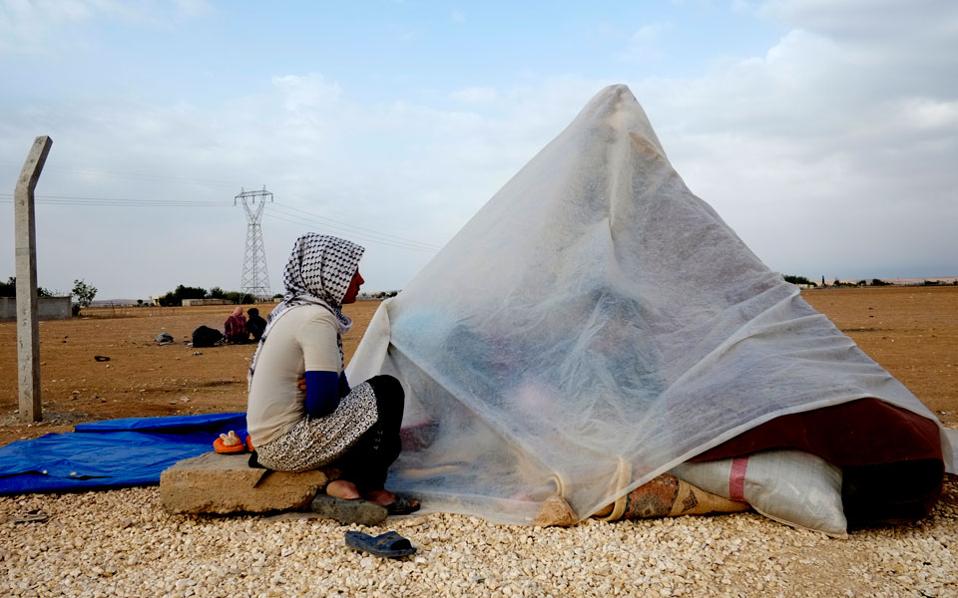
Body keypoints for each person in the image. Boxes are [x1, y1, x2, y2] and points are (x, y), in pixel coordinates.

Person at [246, 233, 416, 515]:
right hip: (287, 445)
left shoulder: (296, 311)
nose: (360, 280)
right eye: (352, 272)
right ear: (329, 276)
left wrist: (322, 388)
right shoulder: (316, 318)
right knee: (386, 390)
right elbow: (323, 404)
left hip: (266, 445)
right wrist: (321, 391)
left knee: (376, 419)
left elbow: (336, 394)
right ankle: (370, 487)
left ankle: (342, 483)